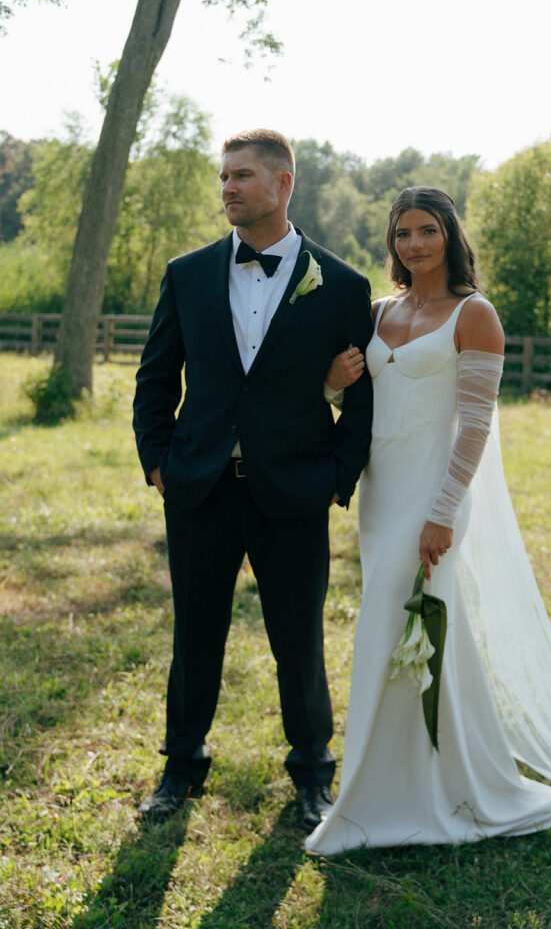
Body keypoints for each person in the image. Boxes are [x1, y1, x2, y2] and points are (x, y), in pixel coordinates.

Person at [306, 186, 551, 854]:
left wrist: (442, 512)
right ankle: (410, 780)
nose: (414, 244)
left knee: (400, 628)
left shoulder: (473, 315)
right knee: (396, 632)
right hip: (379, 491)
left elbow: (474, 425)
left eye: (426, 230)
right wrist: (334, 380)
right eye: (401, 233)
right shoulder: (377, 310)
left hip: (431, 495)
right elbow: (349, 401)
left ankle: (408, 794)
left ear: (449, 236)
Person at [132, 129, 373, 828]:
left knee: (298, 638)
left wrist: (336, 477)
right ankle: (181, 765)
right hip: (200, 487)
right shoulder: (187, 273)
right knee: (194, 633)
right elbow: (155, 377)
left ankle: (311, 774)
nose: (228, 188)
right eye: (223, 177)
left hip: (294, 493)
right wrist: (159, 464)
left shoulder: (343, 285)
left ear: (281, 183)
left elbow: (360, 399)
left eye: (241, 176)